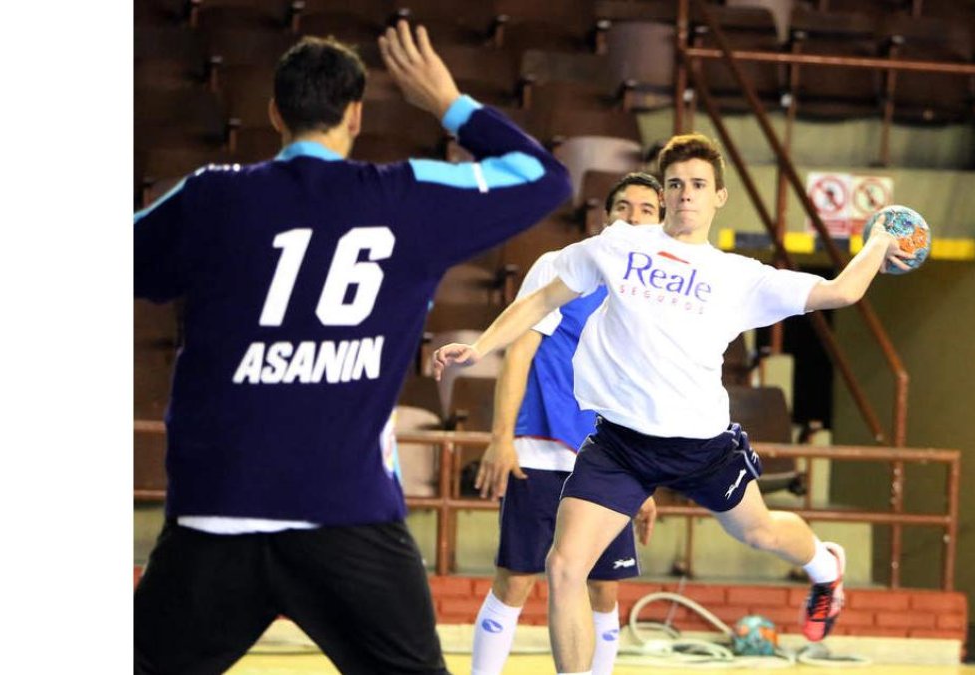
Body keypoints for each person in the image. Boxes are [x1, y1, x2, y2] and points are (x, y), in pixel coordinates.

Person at [133, 22, 571, 675]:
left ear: (275, 111)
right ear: (357, 116)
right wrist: (449, 102)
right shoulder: (406, 195)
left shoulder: (211, 195)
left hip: (215, 510)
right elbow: (544, 178)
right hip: (347, 515)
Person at [434, 133, 914, 675]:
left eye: (699, 185)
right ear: (664, 194)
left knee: (758, 531)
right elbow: (541, 299)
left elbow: (840, 292)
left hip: (702, 447)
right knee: (564, 566)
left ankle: (826, 567)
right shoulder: (617, 247)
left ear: (719, 197)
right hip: (619, 445)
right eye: (677, 184)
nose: (687, 194)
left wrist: (875, 244)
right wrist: (479, 347)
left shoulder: (740, 277)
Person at [469, 173, 664, 675]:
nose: (633, 217)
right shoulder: (559, 267)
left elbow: (645, 390)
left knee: (603, 587)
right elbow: (519, 353)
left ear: (661, 220)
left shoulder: (658, 296)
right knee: (515, 579)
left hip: (612, 460)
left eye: (646, 209)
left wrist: (646, 477)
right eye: (624, 206)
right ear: (605, 217)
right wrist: (501, 438)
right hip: (540, 451)